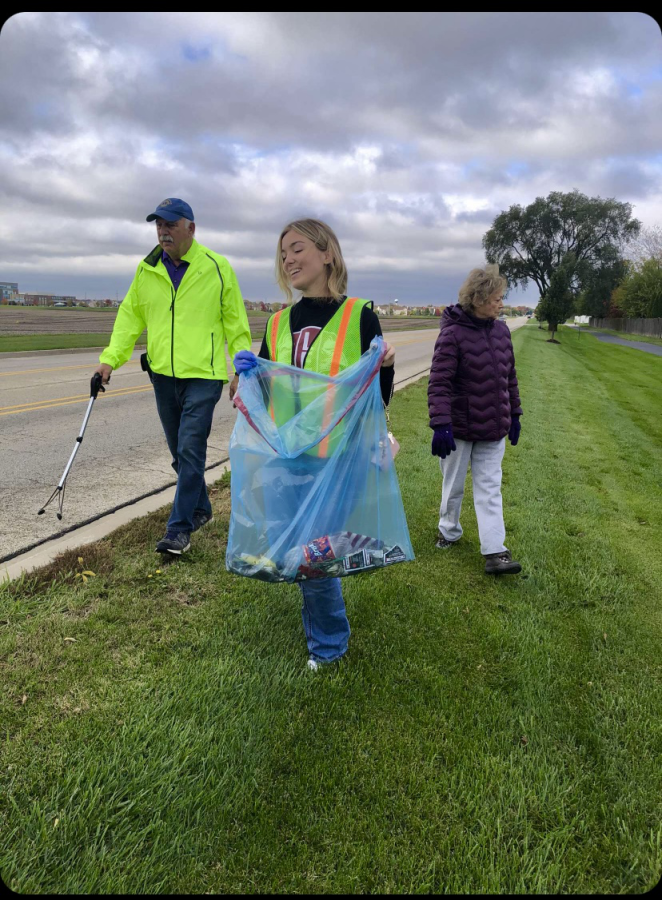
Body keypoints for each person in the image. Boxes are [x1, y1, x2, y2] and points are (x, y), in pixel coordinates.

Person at [233, 218, 395, 669]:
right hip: (287, 459)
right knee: (299, 554)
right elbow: (268, 393)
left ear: (328, 254)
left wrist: (384, 367)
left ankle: (328, 646)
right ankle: (321, 627)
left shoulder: (359, 314)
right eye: (282, 253)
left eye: (297, 248)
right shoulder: (278, 321)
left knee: (310, 552)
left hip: (337, 461)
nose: (288, 259)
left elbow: (376, 400)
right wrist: (244, 380)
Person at [94, 198, 252, 555]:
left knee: (190, 447)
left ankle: (178, 530)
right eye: (158, 225)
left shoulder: (217, 267)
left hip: (204, 376)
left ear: (190, 229)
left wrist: (240, 370)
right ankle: (201, 509)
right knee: (180, 454)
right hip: (163, 376)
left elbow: (236, 323)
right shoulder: (147, 268)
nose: (162, 231)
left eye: (169, 224)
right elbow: (129, 318)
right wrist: (109, 360)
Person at [427, 264, 523, 575]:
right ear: (479, 299)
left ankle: (495, 551)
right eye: (497, 298)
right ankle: (448, 531)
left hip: (494, 426)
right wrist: (441, 424)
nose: (501, 303)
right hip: (459, 428)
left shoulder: (501, 331)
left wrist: (515, 413)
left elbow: (509, 376)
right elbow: (439, 382)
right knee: (453, 485)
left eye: (502, 297)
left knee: (490, 488)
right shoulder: (452, 334)